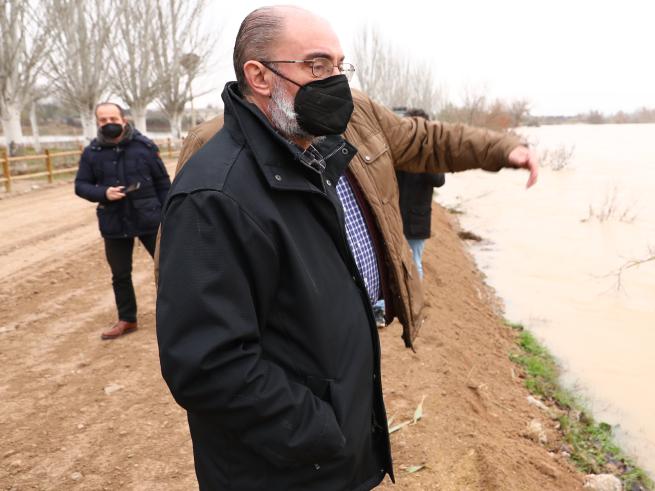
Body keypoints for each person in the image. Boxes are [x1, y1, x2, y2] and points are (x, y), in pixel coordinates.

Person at [155, 6, 538, 490]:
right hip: (284, 461)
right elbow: (207, 358)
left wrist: (502, 150)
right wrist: (323, 433)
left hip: (333, 398)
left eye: (339, 65)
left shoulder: (334, 131)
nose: (334, 81)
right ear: (258, 75)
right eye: (316, 66)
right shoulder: (216, 182)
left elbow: (424, 140)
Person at [74, 102, 170, 340]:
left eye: (112, 119)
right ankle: (127, 319)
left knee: (168, 269)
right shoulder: (91, 152)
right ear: (98, 123)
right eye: (103, 120)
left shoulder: (145, 147)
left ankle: (179, 315)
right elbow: (81, 185)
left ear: (123, 119)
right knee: (120, 274)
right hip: (114, 221)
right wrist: (103, 193)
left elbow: (163, 184)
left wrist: (171, 215)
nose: (109, 124)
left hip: (149, 218)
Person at [395, 108, 444, 278]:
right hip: (395, 218)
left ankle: (415, 302)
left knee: (415, 263)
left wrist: (423, 155)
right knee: (394, 262)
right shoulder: (399, 150)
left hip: (417, 222)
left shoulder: (431, 154)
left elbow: (439, 180)